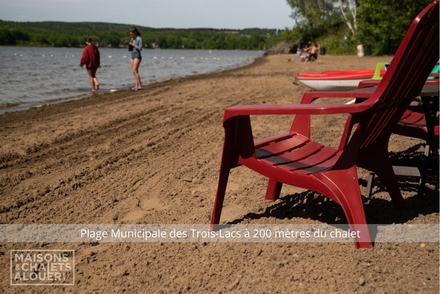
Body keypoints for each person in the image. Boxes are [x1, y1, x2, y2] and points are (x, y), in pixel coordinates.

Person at [126, 26, 143, 91]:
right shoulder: (132, 39)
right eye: (130, 34)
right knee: (133, 71)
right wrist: (128, 44)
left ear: (135, 32)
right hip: (132, 55)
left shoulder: (139, 39)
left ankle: (139, 85)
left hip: (137, 55)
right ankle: (136, 85)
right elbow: (130, 48)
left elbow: (140, 48)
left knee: (135, 70)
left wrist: (133, 45)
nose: (131, 35)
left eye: (132, 33)